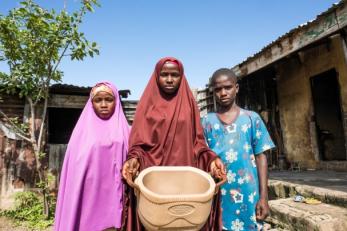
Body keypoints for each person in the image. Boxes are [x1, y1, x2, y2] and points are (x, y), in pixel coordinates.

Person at [121, 57, 225, 231]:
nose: (169, 79)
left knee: (184, 221)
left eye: (174, 75)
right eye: (164, 74)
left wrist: (211, 159)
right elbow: (139, 143)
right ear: (156, 76)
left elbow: (197, 143)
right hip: (153, 179)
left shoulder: (189, 104)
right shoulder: (147, 104)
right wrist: (133, 159)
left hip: (185, 179)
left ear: (181, 76)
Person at [201, 68, 275, 231]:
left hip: (248, 194)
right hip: (218, 193)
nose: (223, 93)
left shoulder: (251, 118)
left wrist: (264, 197)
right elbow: (202, 157)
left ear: (237, 88)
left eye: (227, 87)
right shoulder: (206, 122)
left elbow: (261, 157)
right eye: (218, 89)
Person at [54, 82, 130, 231]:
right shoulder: (81, 133)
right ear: (91, 103)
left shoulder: (126, 130)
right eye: (98, 100)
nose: (103, 104)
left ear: (116, 101)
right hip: (88, 194)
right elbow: (75, 168)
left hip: (117, 193)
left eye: (108, 99)